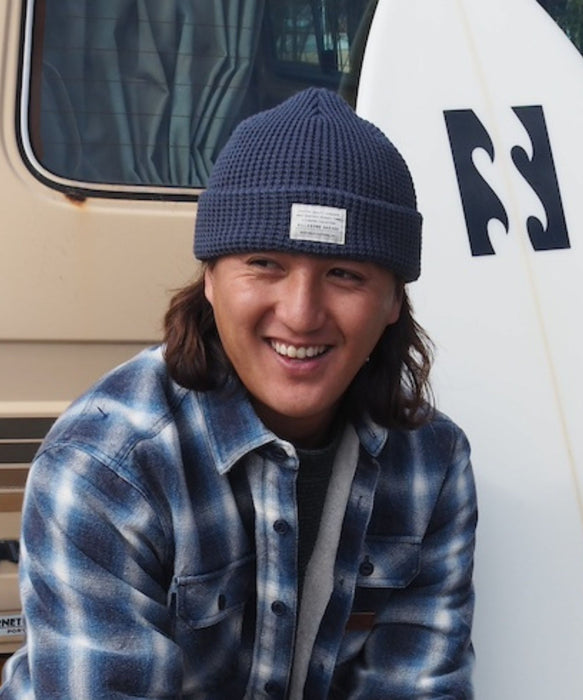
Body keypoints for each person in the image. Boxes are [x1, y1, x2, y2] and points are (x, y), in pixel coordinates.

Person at [0, 88, 477, 698]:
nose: (301, 315)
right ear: (210, 277)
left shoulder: (432, 463)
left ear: (392, 302)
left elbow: (416, 685)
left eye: (345, 274)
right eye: (264, 263)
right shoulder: (106, 467)